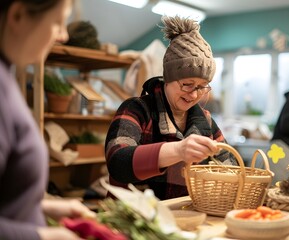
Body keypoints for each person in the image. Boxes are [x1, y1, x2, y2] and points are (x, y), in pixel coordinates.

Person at [105, 16, 236, 200]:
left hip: (182, 219)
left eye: (201, 86)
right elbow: (118, 162)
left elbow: (230, 168)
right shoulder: (136, 110)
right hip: (132, 217)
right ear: (168, 78)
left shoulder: (205, 121)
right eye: (187, 84)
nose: (194, 95)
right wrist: (178, 151)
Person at [0, 1, 96, 240]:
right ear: (19, 15)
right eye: (58, 22)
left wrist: (46, 208)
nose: (63, 35)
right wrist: (48, 237)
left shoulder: (7, 76)